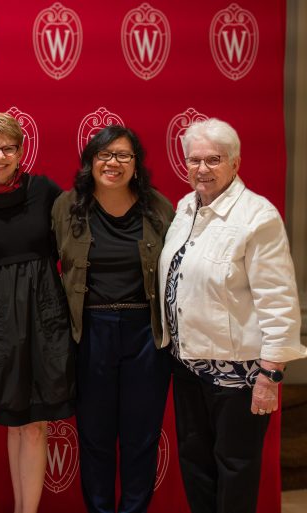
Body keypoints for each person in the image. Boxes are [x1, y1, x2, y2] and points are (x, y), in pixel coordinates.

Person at [158, 118, 306, 513]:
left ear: (235, 164)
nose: (202, 169)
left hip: (239, 372)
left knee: (236, 467)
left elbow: (278, 299)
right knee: (196, 464)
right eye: (194, 160)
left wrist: (271, 374)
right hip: (188, 365)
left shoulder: (258, 217)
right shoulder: (186, 207)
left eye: (213, 159)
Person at [52, 125, 174, 513]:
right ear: (90, 162)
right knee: (95, 436)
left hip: (145, 335)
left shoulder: (159, 208)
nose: (113, 163)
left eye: (123, 155)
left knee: (142, 437)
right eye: (104, 155)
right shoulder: (66, 206)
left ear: (136, 165)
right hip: (91, 332)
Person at [0, 113, 75, 513]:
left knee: (37, 420)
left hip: (44, 310)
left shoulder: (44, 191)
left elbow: (74, 240)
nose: (0, 156)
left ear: (22, 152)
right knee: (13, 417)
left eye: (9, 148)